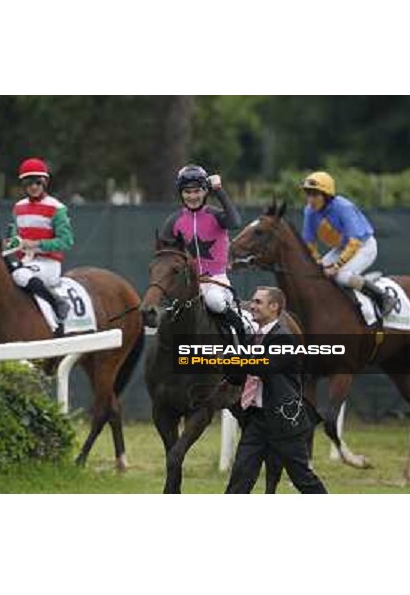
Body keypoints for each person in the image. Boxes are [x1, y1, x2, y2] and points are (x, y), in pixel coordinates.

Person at [225, 286, 327, 494]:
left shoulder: (284, 338)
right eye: (252, 301)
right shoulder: (253, 338)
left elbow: (262, 366)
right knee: (240, 477)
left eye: (258, 302)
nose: (252, 306)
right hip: (257, 420)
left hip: (284, 422)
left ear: (274, 307)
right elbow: (239, 375)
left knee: (303, 479)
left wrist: (231, 358)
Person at [160, 164, 246, 341]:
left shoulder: (215, 215)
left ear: (206, 191)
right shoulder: (174, 220)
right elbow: (166, 253)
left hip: (217, 281)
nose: (192, 196)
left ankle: (242, 324)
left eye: (197, 191)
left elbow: (235, 222)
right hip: (189, 283)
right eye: (187, 192)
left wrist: (219, 191)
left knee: (213, 301)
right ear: (181, 193)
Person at [301, 170, 396, 316]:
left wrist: (336, 266)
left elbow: (355, 242)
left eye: (315, 194)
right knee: (317, 274)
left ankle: (383, 297)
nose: (310, 199)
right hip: (342, 248)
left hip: (364, 246)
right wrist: (318, 261)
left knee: (341, 276)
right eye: (308, 194)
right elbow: (309, 243)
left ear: (326, 196)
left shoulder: (343, 207)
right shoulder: (309, 211)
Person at [5, 157, 74, 326]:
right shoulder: (18, 207)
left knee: (19, 275)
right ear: (24, 185)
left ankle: (57, 302)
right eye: (29, 183)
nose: (34, 187)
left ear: (45, 183)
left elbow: (66, 241)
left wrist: (36, 245)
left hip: (48, 264)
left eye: (38, 182)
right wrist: (12, 243)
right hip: (25, 262)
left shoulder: (57, 208)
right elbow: (16, 238)